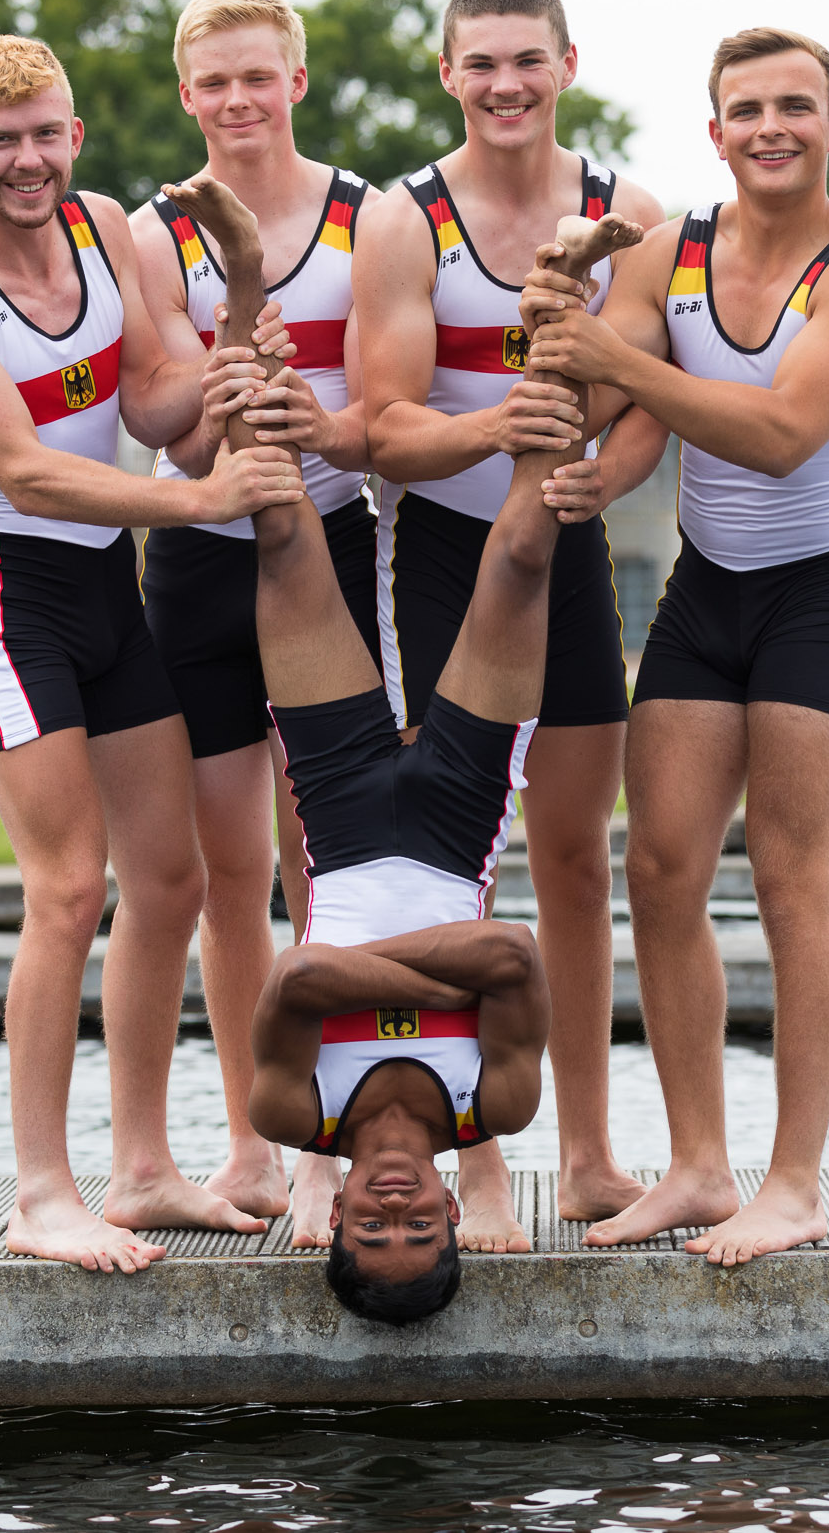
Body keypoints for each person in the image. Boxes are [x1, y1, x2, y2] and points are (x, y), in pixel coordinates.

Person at [0, 33, 307, 1273]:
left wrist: (235, 301)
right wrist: (204, 503)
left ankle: (141, 1167)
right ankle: (38, 1190)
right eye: (0, 140)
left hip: (108, 599)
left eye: (48, 133)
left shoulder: (106, 227)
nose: (29, 160)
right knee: (67, 890)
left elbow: (156, 407)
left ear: (76, 134)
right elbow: (25, 469)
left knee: (168, 883)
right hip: (12, 605)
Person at [516, 27, 829, 1266]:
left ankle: (791, 1183)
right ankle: (698, 1165)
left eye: (796, 106)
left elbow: (784, 433)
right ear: (715, 130)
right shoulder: (670, 250)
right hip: (705, 590)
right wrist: (558, 348)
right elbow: (617, 406)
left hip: (814, 594)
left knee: (792, 883)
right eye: (746, 109)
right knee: (662, 871)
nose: (771, 127)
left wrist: (611, 355)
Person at [233, 184, 645, 1320]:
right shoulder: (494, 1103)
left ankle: (237, 289)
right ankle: (558, 284)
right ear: (457, 1213)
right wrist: (448, 964)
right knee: (525, 543)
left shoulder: (292, 1112)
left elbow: (303, 973)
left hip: (344, 807)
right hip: (463, 809)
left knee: (283, 530)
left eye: (377, 1223)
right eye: (417, 1223)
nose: (398, 1203)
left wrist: (427, 969)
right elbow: (516, 954)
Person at [350, 0, 664, 1245]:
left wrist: (601, 473)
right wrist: (503, 421)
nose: (504, 85)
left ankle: (587, 1154)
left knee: (577, 861)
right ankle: (472, 1164)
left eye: (525, 60)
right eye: (480, 64)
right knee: (447, 875)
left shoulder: (630, 215)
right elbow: (383, 426)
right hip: (445, 560)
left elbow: (649, 401)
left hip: (569, 555)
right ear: (447, 74)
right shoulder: (401, 219)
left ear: (567, 63)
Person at [126, 0, 381, 1227]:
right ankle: (249, 1142)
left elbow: (384, 414)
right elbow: (177, 451)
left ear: (294, 81)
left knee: (322, 865)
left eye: (256, 76)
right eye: (212, 81)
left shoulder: (367, 216)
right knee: (231, 875)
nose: (236, 99)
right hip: (199, 558)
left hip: (326, 549)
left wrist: (306, 402)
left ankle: (329, 1138)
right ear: (188, 96)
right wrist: (233, 323)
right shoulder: (148, 229)